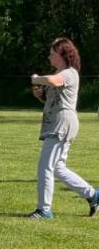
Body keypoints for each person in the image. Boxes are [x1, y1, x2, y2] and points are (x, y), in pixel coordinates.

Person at [29, 37, 99, 218]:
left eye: (52, 53)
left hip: (62, 124)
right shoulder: (60, 73)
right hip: (57, 123)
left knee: (45, 167)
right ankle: (93, 195)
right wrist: (39, 95)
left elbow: (52, 81)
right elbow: (51, 98)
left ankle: (44, 210)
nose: (49, 56)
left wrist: (36, 79)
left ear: (62, 55)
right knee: (58, 168)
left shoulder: (69, 73)